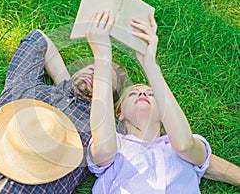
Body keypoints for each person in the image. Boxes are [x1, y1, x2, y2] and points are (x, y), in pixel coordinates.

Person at [0, 13, 238, 194]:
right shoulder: (27, 89)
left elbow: (192, 153)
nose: (97, 73)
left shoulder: (96, 128)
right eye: (92, 69)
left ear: (113, 109)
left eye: (110, 82)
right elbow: (37, 39)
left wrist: (107, 69)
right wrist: (68, 83)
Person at [85, 10, 240, 193]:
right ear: (120, 113)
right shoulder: (116, 145)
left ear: (164, 113)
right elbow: (104, 149)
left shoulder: (185, 146)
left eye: (152, 94)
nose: (143, 92)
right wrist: (102, 57)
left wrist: (149, 63)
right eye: (133, 93)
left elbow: (184, 145)